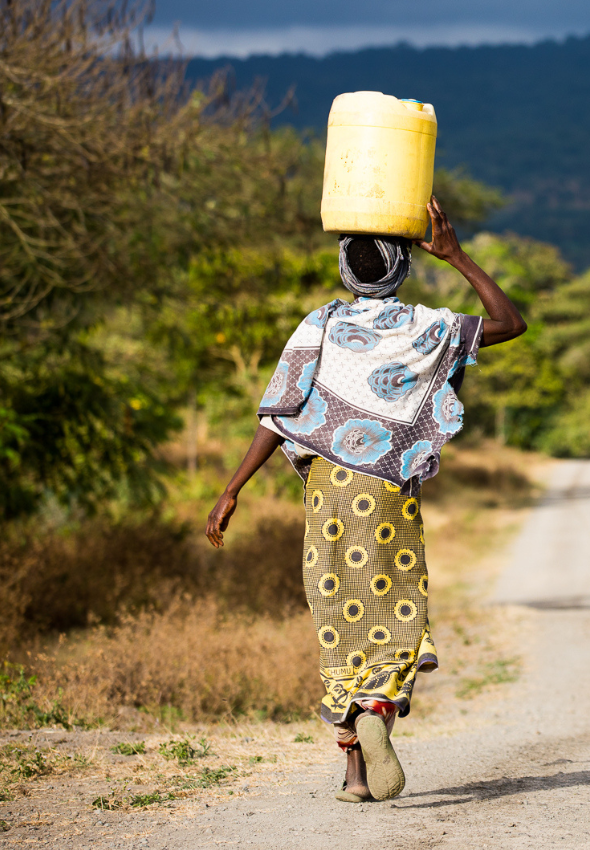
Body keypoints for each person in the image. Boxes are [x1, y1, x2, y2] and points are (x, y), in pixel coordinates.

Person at [204, 198, 525, 803]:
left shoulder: (320, 325)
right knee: (393, 612)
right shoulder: (428, 327)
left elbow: (278, 413)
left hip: (328, 493)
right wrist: (455, 255)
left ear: (347, 274)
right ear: (402, 268)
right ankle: (378, 709)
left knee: (338, 620)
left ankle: (354, 774)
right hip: (388, 493)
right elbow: (509, 322)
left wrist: (231, 488)